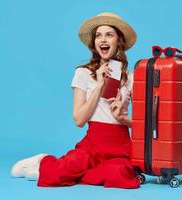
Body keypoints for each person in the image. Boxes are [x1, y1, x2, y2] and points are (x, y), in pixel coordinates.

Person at [11, 12, 139, 189]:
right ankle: (43, 162)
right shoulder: (83, 73)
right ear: (94, 43)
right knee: (59, 174)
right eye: (98, 35)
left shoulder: (132, 78)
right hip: (92, 147)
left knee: (120, 177)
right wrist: (99, 85)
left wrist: (123, 119)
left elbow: (146, 124)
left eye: (109, 35)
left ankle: (53, 170)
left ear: (119, 41)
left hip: (120, 149)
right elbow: (79, 120)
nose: (103, 39)